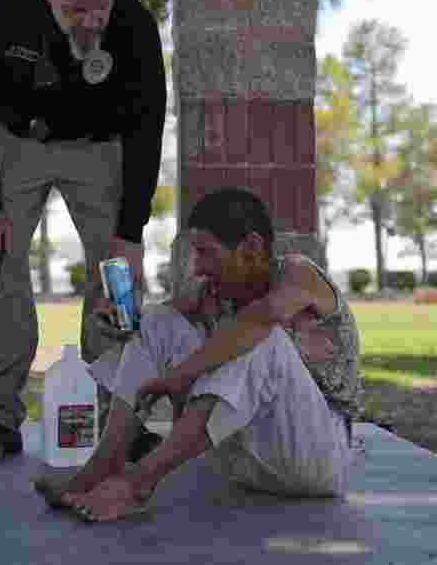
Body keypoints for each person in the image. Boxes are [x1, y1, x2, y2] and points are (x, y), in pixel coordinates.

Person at [0, 0, 167, 464]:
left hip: (100, 148)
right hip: (17, 142)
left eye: (102, 6)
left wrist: (131, 232)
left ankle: (119, 415)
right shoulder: (3, 12)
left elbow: (147, 128)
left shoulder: (134, 25)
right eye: (76, 9)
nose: (92, 20)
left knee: (117, 274)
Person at [32, 187, 363, 523]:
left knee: (259, 338)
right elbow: (154, 328)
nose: (198, 267)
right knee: (159, 322)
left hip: (313, 459)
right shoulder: (214, 291)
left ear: (251, 247)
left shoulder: (297, 274)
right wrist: (120, 322)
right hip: (243, 464)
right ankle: (105, 464)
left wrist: (180, 376)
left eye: (206, 252)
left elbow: (256, 323)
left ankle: (138, 484)